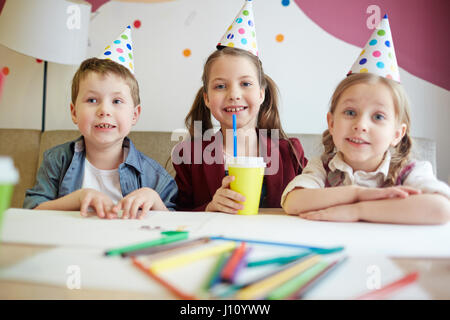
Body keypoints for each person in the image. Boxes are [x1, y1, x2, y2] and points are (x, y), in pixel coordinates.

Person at [281, 15, 449, 224]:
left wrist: (357, 211)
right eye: (350, 112)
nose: (360, 125)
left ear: (397, 134)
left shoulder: (410, 172)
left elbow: (441, 209)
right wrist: (356, 194)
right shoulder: (323, 168)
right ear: (331, 123)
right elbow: (293, 201)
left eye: (378, 116)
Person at [24, 27, 177, 219]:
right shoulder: (57, 161)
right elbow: (31, 212)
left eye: (117, 101)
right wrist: (78, 198)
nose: (104, 110)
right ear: (74, 112)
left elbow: (176, 225)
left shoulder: (153, 175)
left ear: (134, 115)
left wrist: (154, 199)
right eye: (92, 100)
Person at [172, 1, 306, 213]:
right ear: (206, 98)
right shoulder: (189, 155)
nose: (234, 95)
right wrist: (210, 208)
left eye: (245, 84)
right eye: (220, 86)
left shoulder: (289, 153)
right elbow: (177, 213)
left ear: (261, 93)